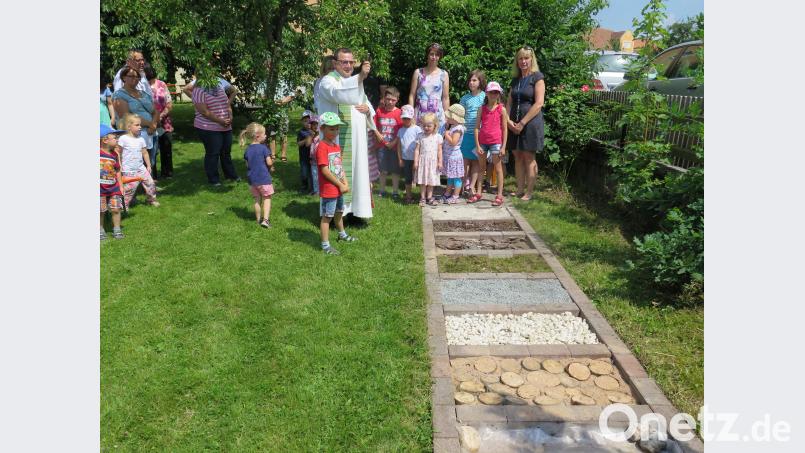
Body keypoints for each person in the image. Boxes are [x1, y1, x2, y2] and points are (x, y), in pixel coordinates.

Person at [316, 47, 375, 219]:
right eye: (344, 62)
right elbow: (338, 94)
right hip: (334, 140)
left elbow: (366, 104)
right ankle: (332, 214)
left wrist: (367, 110)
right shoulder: (327, 81)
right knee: (334, 172)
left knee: (357, 171)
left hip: (356, 138)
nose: (348, 66)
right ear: (335, 63)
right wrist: (361, 77)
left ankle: (355, 212)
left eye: (351, 62)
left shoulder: (355, 82)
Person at [507, 45, 546, 201]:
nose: (523, 61)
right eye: (520, 58)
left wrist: (522, 123)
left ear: (531, 60)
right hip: (514, 122)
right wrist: (509, 121)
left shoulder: (537, 77)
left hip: (530, 122)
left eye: (526, 58)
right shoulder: (516, 80)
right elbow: (508, 102)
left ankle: (529, 192)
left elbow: (539, 103)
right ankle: (519, 189)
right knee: (517, 156)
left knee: (529, 157)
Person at [316, 112, 358, 255]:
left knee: (339, 212)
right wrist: (339, 184)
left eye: (337, 128)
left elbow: (339, 167)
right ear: (322, 129)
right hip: (329, 189)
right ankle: (325, 245)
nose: (335, 131)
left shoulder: (335, 146)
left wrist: (344, 182)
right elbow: (324, 170)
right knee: (327, 216)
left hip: (339, 188)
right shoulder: (322, 147)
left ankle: (342, 234)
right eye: (331, 128)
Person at [112, 66, 159, 180]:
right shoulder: (119, 95)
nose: (135, 79)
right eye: (131, 76)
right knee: (135, 162)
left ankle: (148, 185)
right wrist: (150, 124)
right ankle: (133, 187)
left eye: (137, 76)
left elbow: (155, 111)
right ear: (123, 78)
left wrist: (153, 124)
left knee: (150, 160)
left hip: (151, 132)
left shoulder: (144, 94)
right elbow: (126, 116)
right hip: (133, 135)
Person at [192, 77, 239, 186]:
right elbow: (204, 111)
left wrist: (230, 116)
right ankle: (214, 179)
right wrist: (220, 121)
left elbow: (226, 104)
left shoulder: (219, 86)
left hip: (225, 126)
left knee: (226, 153)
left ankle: (231, 175)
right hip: (208, 127)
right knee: (213, 153)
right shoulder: (198, 89)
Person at [473, 81, 508, 206]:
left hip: (496, 142)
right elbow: (477, 127)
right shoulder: (481, 109)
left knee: (498, 169)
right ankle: (478, 192)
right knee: (481, 168)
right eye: (491, 92)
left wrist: (503, 146)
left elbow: (504, 129)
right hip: (482, 142)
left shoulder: (502, 109)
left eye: (496, 92)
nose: (494, 94)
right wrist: (477, 145)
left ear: (499, 94)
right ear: (486, 93)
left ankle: (499, 195)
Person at [118, 114, 159, 207]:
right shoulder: (123, 139)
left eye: (140, 125)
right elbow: (118, 153)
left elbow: (144, 153)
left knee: (150, 183)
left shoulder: (141, 139)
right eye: (137, 125)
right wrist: (119, 166)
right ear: (129, 127)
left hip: (141, 168)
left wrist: (148, 165)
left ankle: (151, 200)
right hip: (129, 170)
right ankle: (124, 206)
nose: (140, 127)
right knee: (129, 189)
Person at [408, 43, 450, 133]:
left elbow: (445, 98)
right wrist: (410, 114)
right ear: (427, 55)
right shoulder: (418, 72)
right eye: (431, 54)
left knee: (436, 143)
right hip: (420, 114)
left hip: (437, 115)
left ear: (440, 57)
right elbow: (412, 95)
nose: (434, 57)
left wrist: (447, 117)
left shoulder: (444, 74)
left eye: (437, 55)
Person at [240, 122, 274, 228]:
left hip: (252, 180)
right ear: (258, 136)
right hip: (263, 178)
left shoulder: (247, 150)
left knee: (257, 199)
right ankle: (266, 220)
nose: (266, 136)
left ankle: (258, 219)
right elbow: (269, 163)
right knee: (267, 198)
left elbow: (247, 165)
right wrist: (271, 163)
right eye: (264, 134)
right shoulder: (264, 148)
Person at [459, 70, 486, 196]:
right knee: (465, 161)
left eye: (474, 80)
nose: (471, 82)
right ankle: (464, 184)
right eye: (470, 80)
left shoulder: (484, 97)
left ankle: (472, 186)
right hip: (466, 134)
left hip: (478, 135)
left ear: (480, 82)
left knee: (476, 161)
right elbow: (460, 115)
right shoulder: (465, 98)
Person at [145, 65, 174, 178]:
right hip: (149, 123)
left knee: (166, 147)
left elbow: (169, 103)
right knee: (151, 150)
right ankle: (152, 175)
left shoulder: (161, 84)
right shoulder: (142, 86)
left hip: (164, 122)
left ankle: (167, 172)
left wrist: (161, 116)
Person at [373, 86, 403, 198]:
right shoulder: (379, 111)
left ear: (397, 100)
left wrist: (394, 142)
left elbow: (401, 131)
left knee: (395, 171)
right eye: (388, 99)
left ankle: (395, 191)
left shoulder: (399, 113)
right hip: (381, 146)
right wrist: (378, 135)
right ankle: (382, 190)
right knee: (383, 170)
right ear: (384, 98)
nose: (390, 102)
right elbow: (374, 126)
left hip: (395, 147)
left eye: (393, 100)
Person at [100, 124, 127, 241]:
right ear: (105, 140)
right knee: (100, 211)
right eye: (115, 137)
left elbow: (117, 170)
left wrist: (121, 186)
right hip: (99, 189)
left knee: (116, 209)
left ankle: (117, 229)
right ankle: (100, 231)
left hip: (114, 187)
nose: (117, 140)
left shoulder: (115, 154)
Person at [413, 113, 443, 207]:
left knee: (431, 181)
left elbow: (439, 151)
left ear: (435, 125)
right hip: (423, 162)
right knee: (422, 181)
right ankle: (422, 198)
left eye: (429, 126)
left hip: (433, 163)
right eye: (424, 125)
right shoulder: (420, 136)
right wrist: (416, 161)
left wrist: (440, 161)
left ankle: (429, 197)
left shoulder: (438, 137)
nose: (426, 128)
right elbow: (417, 150)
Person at [396, 105, 422, 204]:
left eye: (408, 118)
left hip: (417, 158)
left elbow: (421, 144)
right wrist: (400, 159)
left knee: (419, 177)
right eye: (404, 118)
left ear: (412, 118)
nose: (406, 120)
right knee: (408, 178)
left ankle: (421, 196)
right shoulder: (400, 130)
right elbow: (398, 146)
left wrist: (419, 158)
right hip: (406, 158)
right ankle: (409, 196)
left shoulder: (417, 129)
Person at [441, 104, 466, 204]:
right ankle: (447, 193)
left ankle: (455, 196)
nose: (447, 118)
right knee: (450, 176)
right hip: (449, 156)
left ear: (455, 118)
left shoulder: (458, 128)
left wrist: (446, 135)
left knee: (456, 177)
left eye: (449, 117)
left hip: (454, 157)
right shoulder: (453, 127)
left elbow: (453, 142)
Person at [297, 110, 315, 193]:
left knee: (312, 173)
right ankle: (304, 186)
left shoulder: (315, 132)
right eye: (305, 121)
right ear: (301, 122)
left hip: (313, 157)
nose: (307, 123)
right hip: (304, 157)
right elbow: (299, 144)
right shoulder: (301, 132)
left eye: (309, 122)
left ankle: (312, 188)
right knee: (304, 173)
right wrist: (307, 139)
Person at [308, 114, 321, 195]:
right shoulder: (312, 135)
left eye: (317, 124)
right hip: (313, 160)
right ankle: (316, 191)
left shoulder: (321, 135)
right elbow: (308, 145)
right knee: (314, 176)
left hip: (320, 159)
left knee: (321, 176)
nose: (315, 126)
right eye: (313, 124)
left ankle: (321, 190)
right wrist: (311, 136)